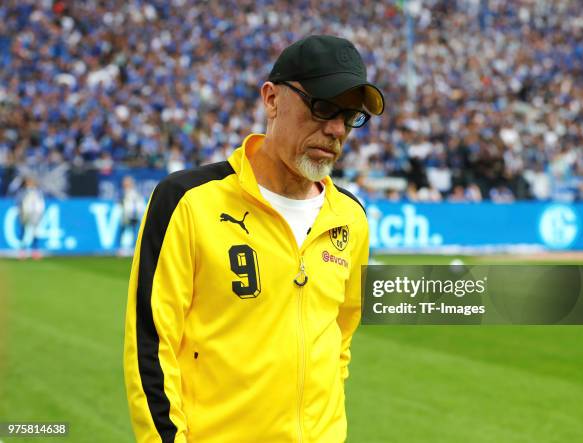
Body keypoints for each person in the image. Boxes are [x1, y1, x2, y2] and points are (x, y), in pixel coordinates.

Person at [124, 35, 384, 442]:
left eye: (350, 116)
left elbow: (340, 340)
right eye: (322, 106)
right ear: (272, 99)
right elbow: (151, 348)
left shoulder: (351, 218)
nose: (335, 129)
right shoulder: (187, 200)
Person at [17, 176, 45, 258]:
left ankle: (35, 250)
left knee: (35, 232)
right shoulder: (22, 191)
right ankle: (22, 251)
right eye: (29, 181)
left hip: (35, 214)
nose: (31, 183)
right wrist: (21, 211)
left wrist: (40, 213)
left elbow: (41, 203)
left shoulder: (38, 191)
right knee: (24, 231)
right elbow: (18, 202)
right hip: (25, 213)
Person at [118, 175, 146, 255]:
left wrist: (134, 214)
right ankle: (126, 248)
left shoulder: (133, 193)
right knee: (128, 232)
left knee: (130, 232)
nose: (124, 185)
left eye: (126, 183)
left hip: (131, 215)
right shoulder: (127, 193)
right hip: (130, 215)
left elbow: (137, 205)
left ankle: (129, 249)